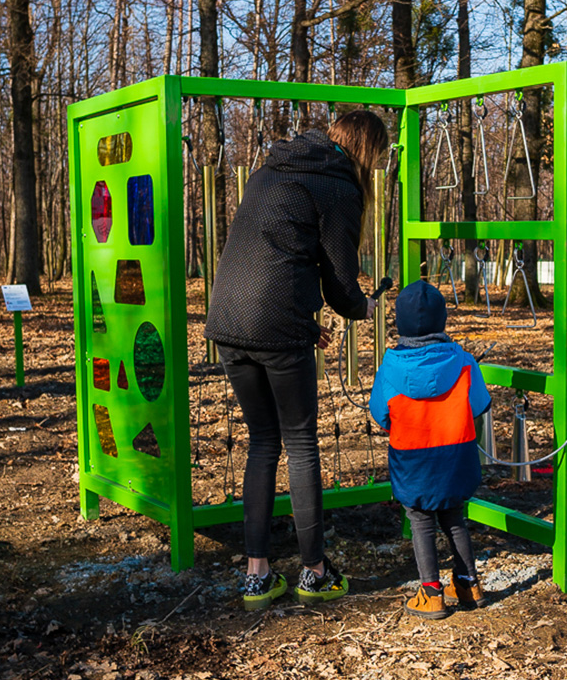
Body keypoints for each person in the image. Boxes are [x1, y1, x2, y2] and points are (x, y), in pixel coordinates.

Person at [204, 110, 387, 611]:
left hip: (228, 321)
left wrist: (305, 324)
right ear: (368, 151)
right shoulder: (337, 188)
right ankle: (314, 571)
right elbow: (340, 283)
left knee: (263, 442)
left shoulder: (273, 169)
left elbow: (271, 254)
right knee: (302, 443)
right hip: (275, 326)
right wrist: (361, 307)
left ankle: (257, 576)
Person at [369, 280, 490, 619]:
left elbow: (380, 414)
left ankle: (431, 592)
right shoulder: (464, 363)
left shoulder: (389, 369)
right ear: (443, 321)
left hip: (413, 460)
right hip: (456, 457)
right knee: (454, 517)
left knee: (421, 520)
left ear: (399, 324)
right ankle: (469, 584)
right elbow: (480, 405)